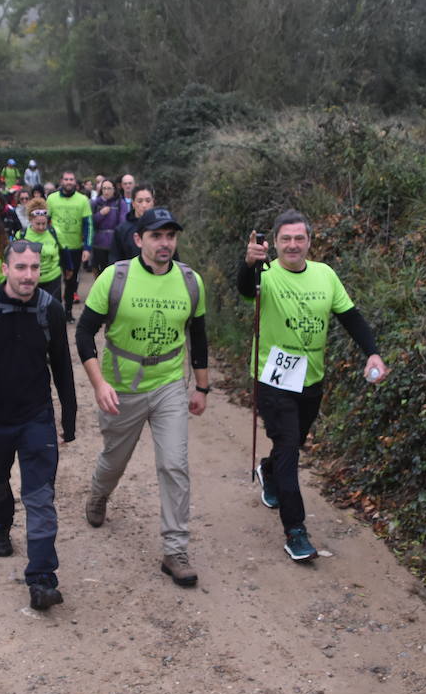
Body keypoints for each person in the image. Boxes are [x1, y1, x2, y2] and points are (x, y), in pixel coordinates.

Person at [239, 209, 389, 561]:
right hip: (272, 378)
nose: (293, 245)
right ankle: (296, 531)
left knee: (293, 444)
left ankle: (269, 470)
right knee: (289, 447)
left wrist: (373, 353)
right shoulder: (267, 273)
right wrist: (248, 263)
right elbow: (245, 288)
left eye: (299, 238)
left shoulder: (325, 274)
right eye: (286, 239)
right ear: (274, 243)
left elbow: (350, 316)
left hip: (311, 378)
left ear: (309, 241)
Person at [76, 207, 209, 588]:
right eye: (156, 236)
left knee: (174, 464)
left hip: (168, 384)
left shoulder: (190, 282)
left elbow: (198, 338)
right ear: (139, 240)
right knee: (114, 460)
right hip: (122, 388)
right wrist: (100, 383)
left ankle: (175, 549)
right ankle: (99, 495)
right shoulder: (114, 278)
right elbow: (85, 334)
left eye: (170, 236)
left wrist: (201, 387)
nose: (164, 243)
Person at [0, 238, 77, 610]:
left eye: (35, 268)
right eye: (21, 267)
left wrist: (68, 417)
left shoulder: (49, 309)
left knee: (40, 497)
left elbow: (62, 368)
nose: (28, 275)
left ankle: (41, 579)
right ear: (5, 269)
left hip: (35, 417)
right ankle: (1, 525)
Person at [45, 171, 93, 319]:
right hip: (55, 247)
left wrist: (87, 247)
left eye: (71, 179)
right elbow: (45, 221)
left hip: (75, 248)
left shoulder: (83, 200)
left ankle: (68, 311)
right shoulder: (52, 199)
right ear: (61, 181)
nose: (69, 182)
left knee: (71, 281)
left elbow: (88, 225)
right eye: (66, 179)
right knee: (54, 280)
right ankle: (55, 311)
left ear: (75, 182)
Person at [18, 197, 64, 300]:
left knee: (53, 310)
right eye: (37, 224)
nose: (41, 227)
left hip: (53, 278)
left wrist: (68, 268)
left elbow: (64, 251)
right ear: (30, 220)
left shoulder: (54, 232)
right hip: (31, 280)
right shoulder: (22, 234)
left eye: (44, 223)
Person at [89, 178, 125, 273]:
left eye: (109, 188)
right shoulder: (95, 203)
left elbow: (122, 223)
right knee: (98, 270)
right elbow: (90, 222)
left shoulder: (120, 203)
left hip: (114, 243)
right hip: (98, 243)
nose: (106, 191)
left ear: (114, 189)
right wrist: (100, 214)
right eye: (104, 188)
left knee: (113, 271)